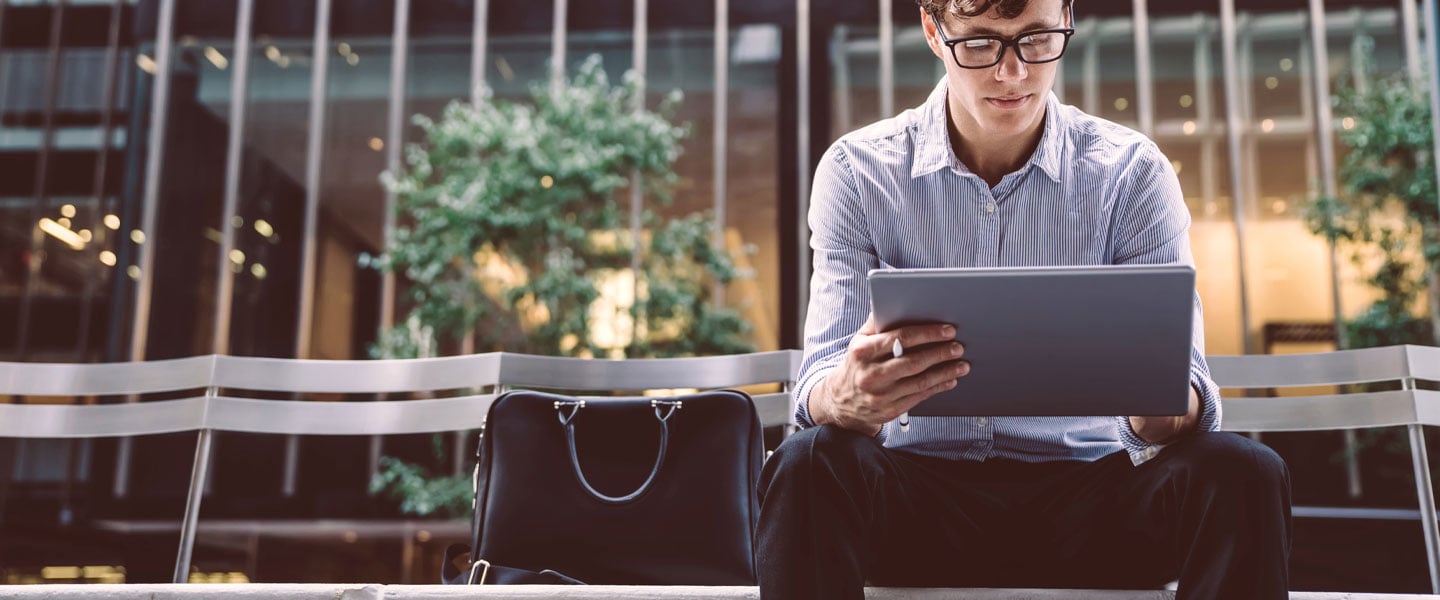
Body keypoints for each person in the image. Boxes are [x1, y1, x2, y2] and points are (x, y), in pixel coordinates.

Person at [755, 0, 1292, 598]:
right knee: (807, 461)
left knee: (1242, 470)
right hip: (918, 505)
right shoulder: (858, 173)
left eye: (1036, 39)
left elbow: (1186, 389)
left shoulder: (1132, 172)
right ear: (934, 32)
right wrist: (846, 396)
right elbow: (818, 385)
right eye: (981, 44)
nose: (1014, 74)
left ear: (1067, 18)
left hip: (1094, 503)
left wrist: (1161, 406)